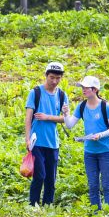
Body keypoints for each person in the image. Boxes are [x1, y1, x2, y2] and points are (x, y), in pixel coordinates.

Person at [63, 76, 109, 211]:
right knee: (93, 185)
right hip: (90, 152)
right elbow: (70, 125)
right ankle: (96, 213)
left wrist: (100, 135)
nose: (83, 90)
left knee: (107, 184)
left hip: (105, 151)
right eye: (82, 87)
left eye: (86, 88)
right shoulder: (81, 106)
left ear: (95, 89)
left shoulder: (106, 106)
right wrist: (66, 113)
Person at [25, 62, 69, 206]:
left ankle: (48, 206)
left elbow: (66, 119)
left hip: (53, 142)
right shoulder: (35, 93)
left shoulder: (62, 95)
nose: (54, 81)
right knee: (40, 176)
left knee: (51, 178)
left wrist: (48, 117)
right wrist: (27, 139)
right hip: (36, 141)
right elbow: (28, 118)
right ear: (46, 76)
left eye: (58, 78)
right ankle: (34, 205)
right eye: (51, 78)